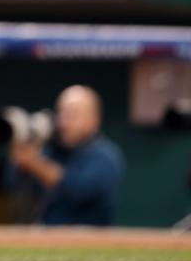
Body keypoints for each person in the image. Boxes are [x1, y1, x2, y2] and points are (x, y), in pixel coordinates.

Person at [10, 85, 124, 226]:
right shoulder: (50, 151)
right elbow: (13, 185)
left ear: (94, 120)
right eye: (62, 113)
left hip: (90, 241)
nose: (64, 121)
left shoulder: (105, 155)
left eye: (73, 114)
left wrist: (35, 164)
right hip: (46, 238)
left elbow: (78, 190)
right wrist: (22, 159)